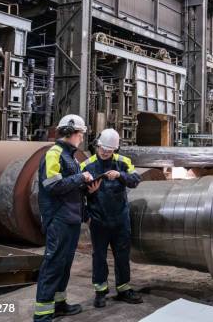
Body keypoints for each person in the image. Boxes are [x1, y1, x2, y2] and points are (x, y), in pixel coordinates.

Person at [34, 114, 101, 321]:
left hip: (70, 219)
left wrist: (89, 188)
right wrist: (80, 177)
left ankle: (59, 304)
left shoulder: (70, 156)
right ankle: (42, 315)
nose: (81, 138)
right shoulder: (54, 153)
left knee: (64, 265)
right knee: (54, 264)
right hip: (58, 219)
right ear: (70, 133)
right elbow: (52, 185)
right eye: (80, 134)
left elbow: (70, 187)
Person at [80, 128, 143, 308]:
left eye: (109, 150)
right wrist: (86, 216)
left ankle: (124, 289)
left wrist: (120, 175)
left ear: (115, 149)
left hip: (120, 219)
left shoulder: (123, 162)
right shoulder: (87, 165)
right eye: (102, 149)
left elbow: (135, 180)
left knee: (122, 255)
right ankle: (100, 292)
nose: (105, 152)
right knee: (99, 257)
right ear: (98, 145)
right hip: (98, 220)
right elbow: (77, 193)